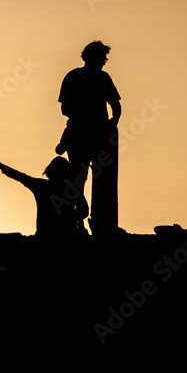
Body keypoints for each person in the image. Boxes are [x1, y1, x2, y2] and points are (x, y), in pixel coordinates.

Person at [58, 41, 122, 236]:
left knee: (91, 180)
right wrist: (109, 121)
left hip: (94, 134)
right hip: (83, 134)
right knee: (81, 179)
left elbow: (116, 106)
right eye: (101, 59)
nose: (103, 63)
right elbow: (65, 109)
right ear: (88, 58)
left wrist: (113, 122)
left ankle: (100, 225)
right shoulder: (79, 77)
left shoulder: (92, 77)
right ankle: (79, 224)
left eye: (104, 59)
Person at [0, 158, 89, 237]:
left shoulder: (41, 186)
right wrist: (72, 217)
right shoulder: (72, 189)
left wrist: (2, 167)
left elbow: (21, 177)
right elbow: (84, 211)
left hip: (44, 237)